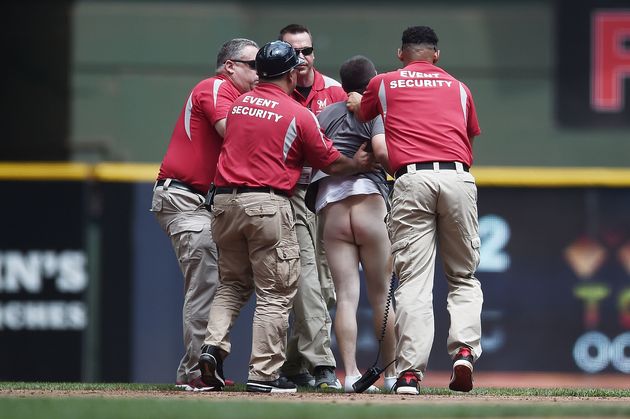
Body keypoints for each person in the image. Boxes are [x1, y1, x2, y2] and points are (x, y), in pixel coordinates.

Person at [197, 40, 377, 394]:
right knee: (275, 293)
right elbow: (328, 159)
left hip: (223, 204)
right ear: (291, 73)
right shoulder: (298, 113)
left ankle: (212, 347)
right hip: (267, 203)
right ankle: (263, 375)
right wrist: (356, 164)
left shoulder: (239, 105)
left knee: (232, 284)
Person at [347, 26, 484, 395]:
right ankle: (464, 351)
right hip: (457, 177)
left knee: (414, 284)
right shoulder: (459, 88)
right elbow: (466, 135)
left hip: (411, 178)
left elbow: (363, 115)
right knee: (463, 276)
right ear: (436, 55)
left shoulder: (386, 83)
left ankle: (409, 375)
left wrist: (357, 100)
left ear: (400, 54)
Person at [151, 38, 259, 391]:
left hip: (209, 203)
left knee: (226, 284)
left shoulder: (244, 99)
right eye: (252, 65)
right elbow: (233, 133)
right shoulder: (213, 87)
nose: (259, 73)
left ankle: (206, 367)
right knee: (207, 282)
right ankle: (196, 372)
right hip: (183, 197)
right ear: (230, 66)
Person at [308, 55, 397, 393]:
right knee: (381, 296)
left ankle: (352, 375)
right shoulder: (373, 111)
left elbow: (316, 156)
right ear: (372, 82)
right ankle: (390, 376)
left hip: (331, 207)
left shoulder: (324, 114)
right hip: (368, 204)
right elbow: (381, 148)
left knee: (346, 296)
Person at [275, 23, 347, 389]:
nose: (302, 58)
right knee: (306, 281)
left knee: (328, 290)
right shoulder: (272, 91)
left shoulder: (334, 90)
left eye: (308, 51)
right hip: (287, 195)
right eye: (294, 52)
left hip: (326, 194)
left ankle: (290, 366)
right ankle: (323, 365)